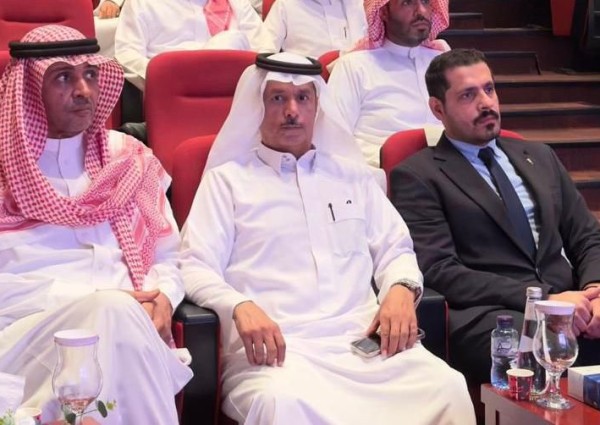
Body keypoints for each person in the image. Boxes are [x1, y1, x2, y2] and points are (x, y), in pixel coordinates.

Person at [180, 51, 475, 425]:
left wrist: (402, 289)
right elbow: (194, 265)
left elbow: (395, 248)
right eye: (278, 98)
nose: (292, 111)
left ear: (317, 106)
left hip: (366, 345)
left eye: (303, 97)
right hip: (278, 355)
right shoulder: (227, 181)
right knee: (280, 405)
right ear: (257, 106)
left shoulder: (353, 176)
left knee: (448, 387)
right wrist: (239, 305)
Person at [0, 25, 192, 424]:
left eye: (90, 74)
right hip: (25, 338)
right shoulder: (5, 167)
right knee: (112, 312)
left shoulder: (129, 158)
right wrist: (98, 299)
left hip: (130, 329)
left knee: (116, 321)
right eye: (63, 78)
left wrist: (163, 299)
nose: (84, 90)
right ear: (29, 88)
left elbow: (168, 256)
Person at [390, 48, 600, 386]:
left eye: (489, 89)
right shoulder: (418, 175)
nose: (486, 103)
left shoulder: (540, 156)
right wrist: (543, 300)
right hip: (493, 312)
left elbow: (587, 236)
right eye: (468, 95)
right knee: (541, 347)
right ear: (438, 109)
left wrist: (595, 290)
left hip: (571, 300)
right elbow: (441, 270)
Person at [328, 0, 449, 167]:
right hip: (379, 171)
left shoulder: (442, 61)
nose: (421, 11)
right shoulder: (354, 66)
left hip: (449, 167)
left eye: (426, 1)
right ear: (383, 11)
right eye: (407, 3)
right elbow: (333, 140)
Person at [114, 0, 265, 91]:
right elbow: (126, 54)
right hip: (171, 95)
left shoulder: (236, 3)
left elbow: (263, 49)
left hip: (234, 94)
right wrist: (168, 77)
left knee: (232, 40)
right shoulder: (142, 3)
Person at [261, 0, 367, 58]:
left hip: (357, 82)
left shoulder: (361, 5)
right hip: (304, 83)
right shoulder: (285, 5)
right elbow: (263, 53)